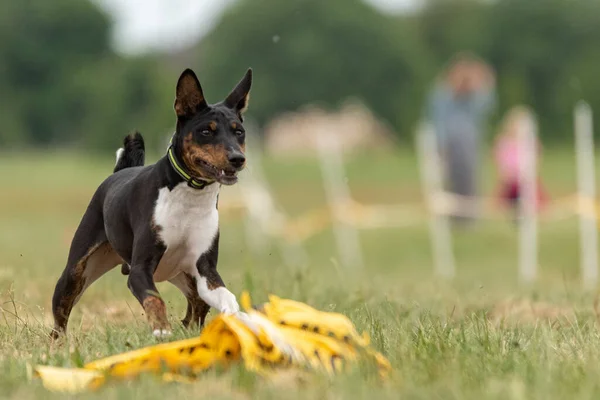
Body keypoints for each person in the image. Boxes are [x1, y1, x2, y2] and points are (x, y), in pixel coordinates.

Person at [427, 53, 496, 225]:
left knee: (471, 182)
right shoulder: (442, 95)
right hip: (448, 145)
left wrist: (482, 79)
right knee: (448, 183)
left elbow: (487, 104)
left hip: (469, 146)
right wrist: (440, 146)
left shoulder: (473, 98)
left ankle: (469, 219)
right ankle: (451, 219)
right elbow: (438, 119)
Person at [493, 106, 548, 218]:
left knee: (535, 193)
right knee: (506, 199)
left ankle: (530, 206)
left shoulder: (530, 143)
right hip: (510, 183)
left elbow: (535, 163)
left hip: (527, 181)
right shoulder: (504, 143)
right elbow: (503, 166)